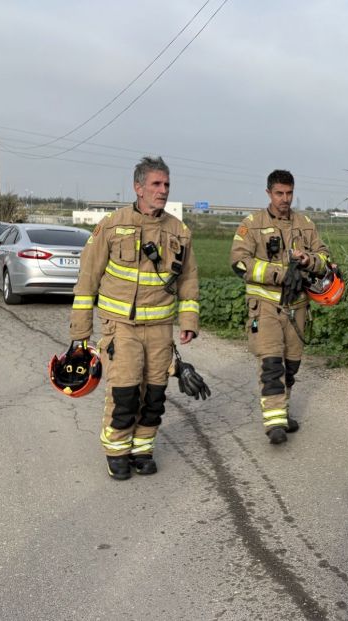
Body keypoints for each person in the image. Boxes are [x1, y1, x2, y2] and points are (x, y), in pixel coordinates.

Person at [69, 156, 201, 480]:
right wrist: (81, 332)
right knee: (125, 392)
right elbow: (87, 280)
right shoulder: (112, 225)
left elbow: (189, 280)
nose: (163, 190)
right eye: (156, 184)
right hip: (121, 328)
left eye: (166, 184)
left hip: (159, 330)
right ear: (138, 187)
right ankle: (117, 451)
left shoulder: (179, 232)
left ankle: (143, 449)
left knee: (154, 395)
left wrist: (188, 323)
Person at [229, 170, 331, 445]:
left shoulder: (305, 224)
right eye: (279, 194)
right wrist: (279, 273)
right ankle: (274, 423)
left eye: (288, 193)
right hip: (265, 307)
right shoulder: (252, 225)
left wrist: (308, 260)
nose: (284, 199)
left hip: (297, 308)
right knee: (271, 362)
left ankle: (281, 412)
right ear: (268, 193)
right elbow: (239, 262)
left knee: (291, 365)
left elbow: (325, 258)